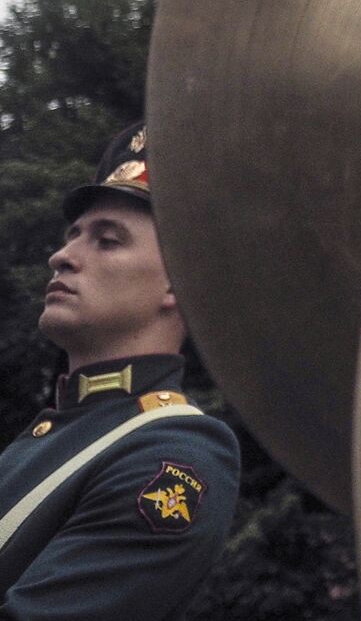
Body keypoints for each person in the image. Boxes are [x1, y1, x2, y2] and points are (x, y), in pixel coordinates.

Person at [0, 122, 240, 620]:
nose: (62, 256)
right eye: (73, 236)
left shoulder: (174, 455)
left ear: (177, 285)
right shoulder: (52, 433)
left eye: (106, 241)